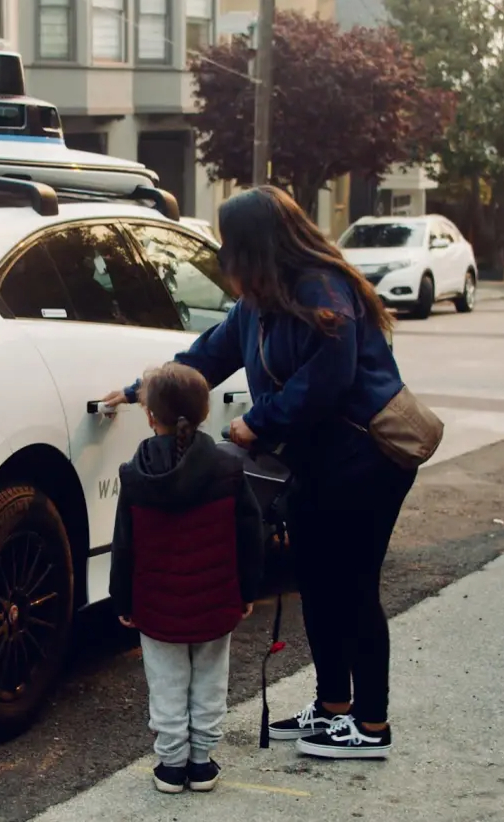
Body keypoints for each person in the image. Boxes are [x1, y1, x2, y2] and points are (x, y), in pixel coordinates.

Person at [102, 185, 418, 760]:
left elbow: (329, 378)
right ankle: (333, 708)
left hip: (366, 461)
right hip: (320, 463)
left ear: (254, 247)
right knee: (319, 583)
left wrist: (257, 423)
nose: (224, 259)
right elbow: (205, 358)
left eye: (229, 246)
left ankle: (372, 725)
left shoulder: (322, 290)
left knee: (352, 587)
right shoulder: (259, 306)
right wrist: (136, 390)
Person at [110, 361, 265, 794]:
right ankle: (202, 762)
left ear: (149, 416)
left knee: (167, 682)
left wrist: (123, 601)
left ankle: (171, 765)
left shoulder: (135, 474)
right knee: (210, 680)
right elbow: (250, 535)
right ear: (203, 412)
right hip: (216, 599)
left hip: (156, 604)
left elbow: (124, 545)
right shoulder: (228, 469)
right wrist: (246, 591)